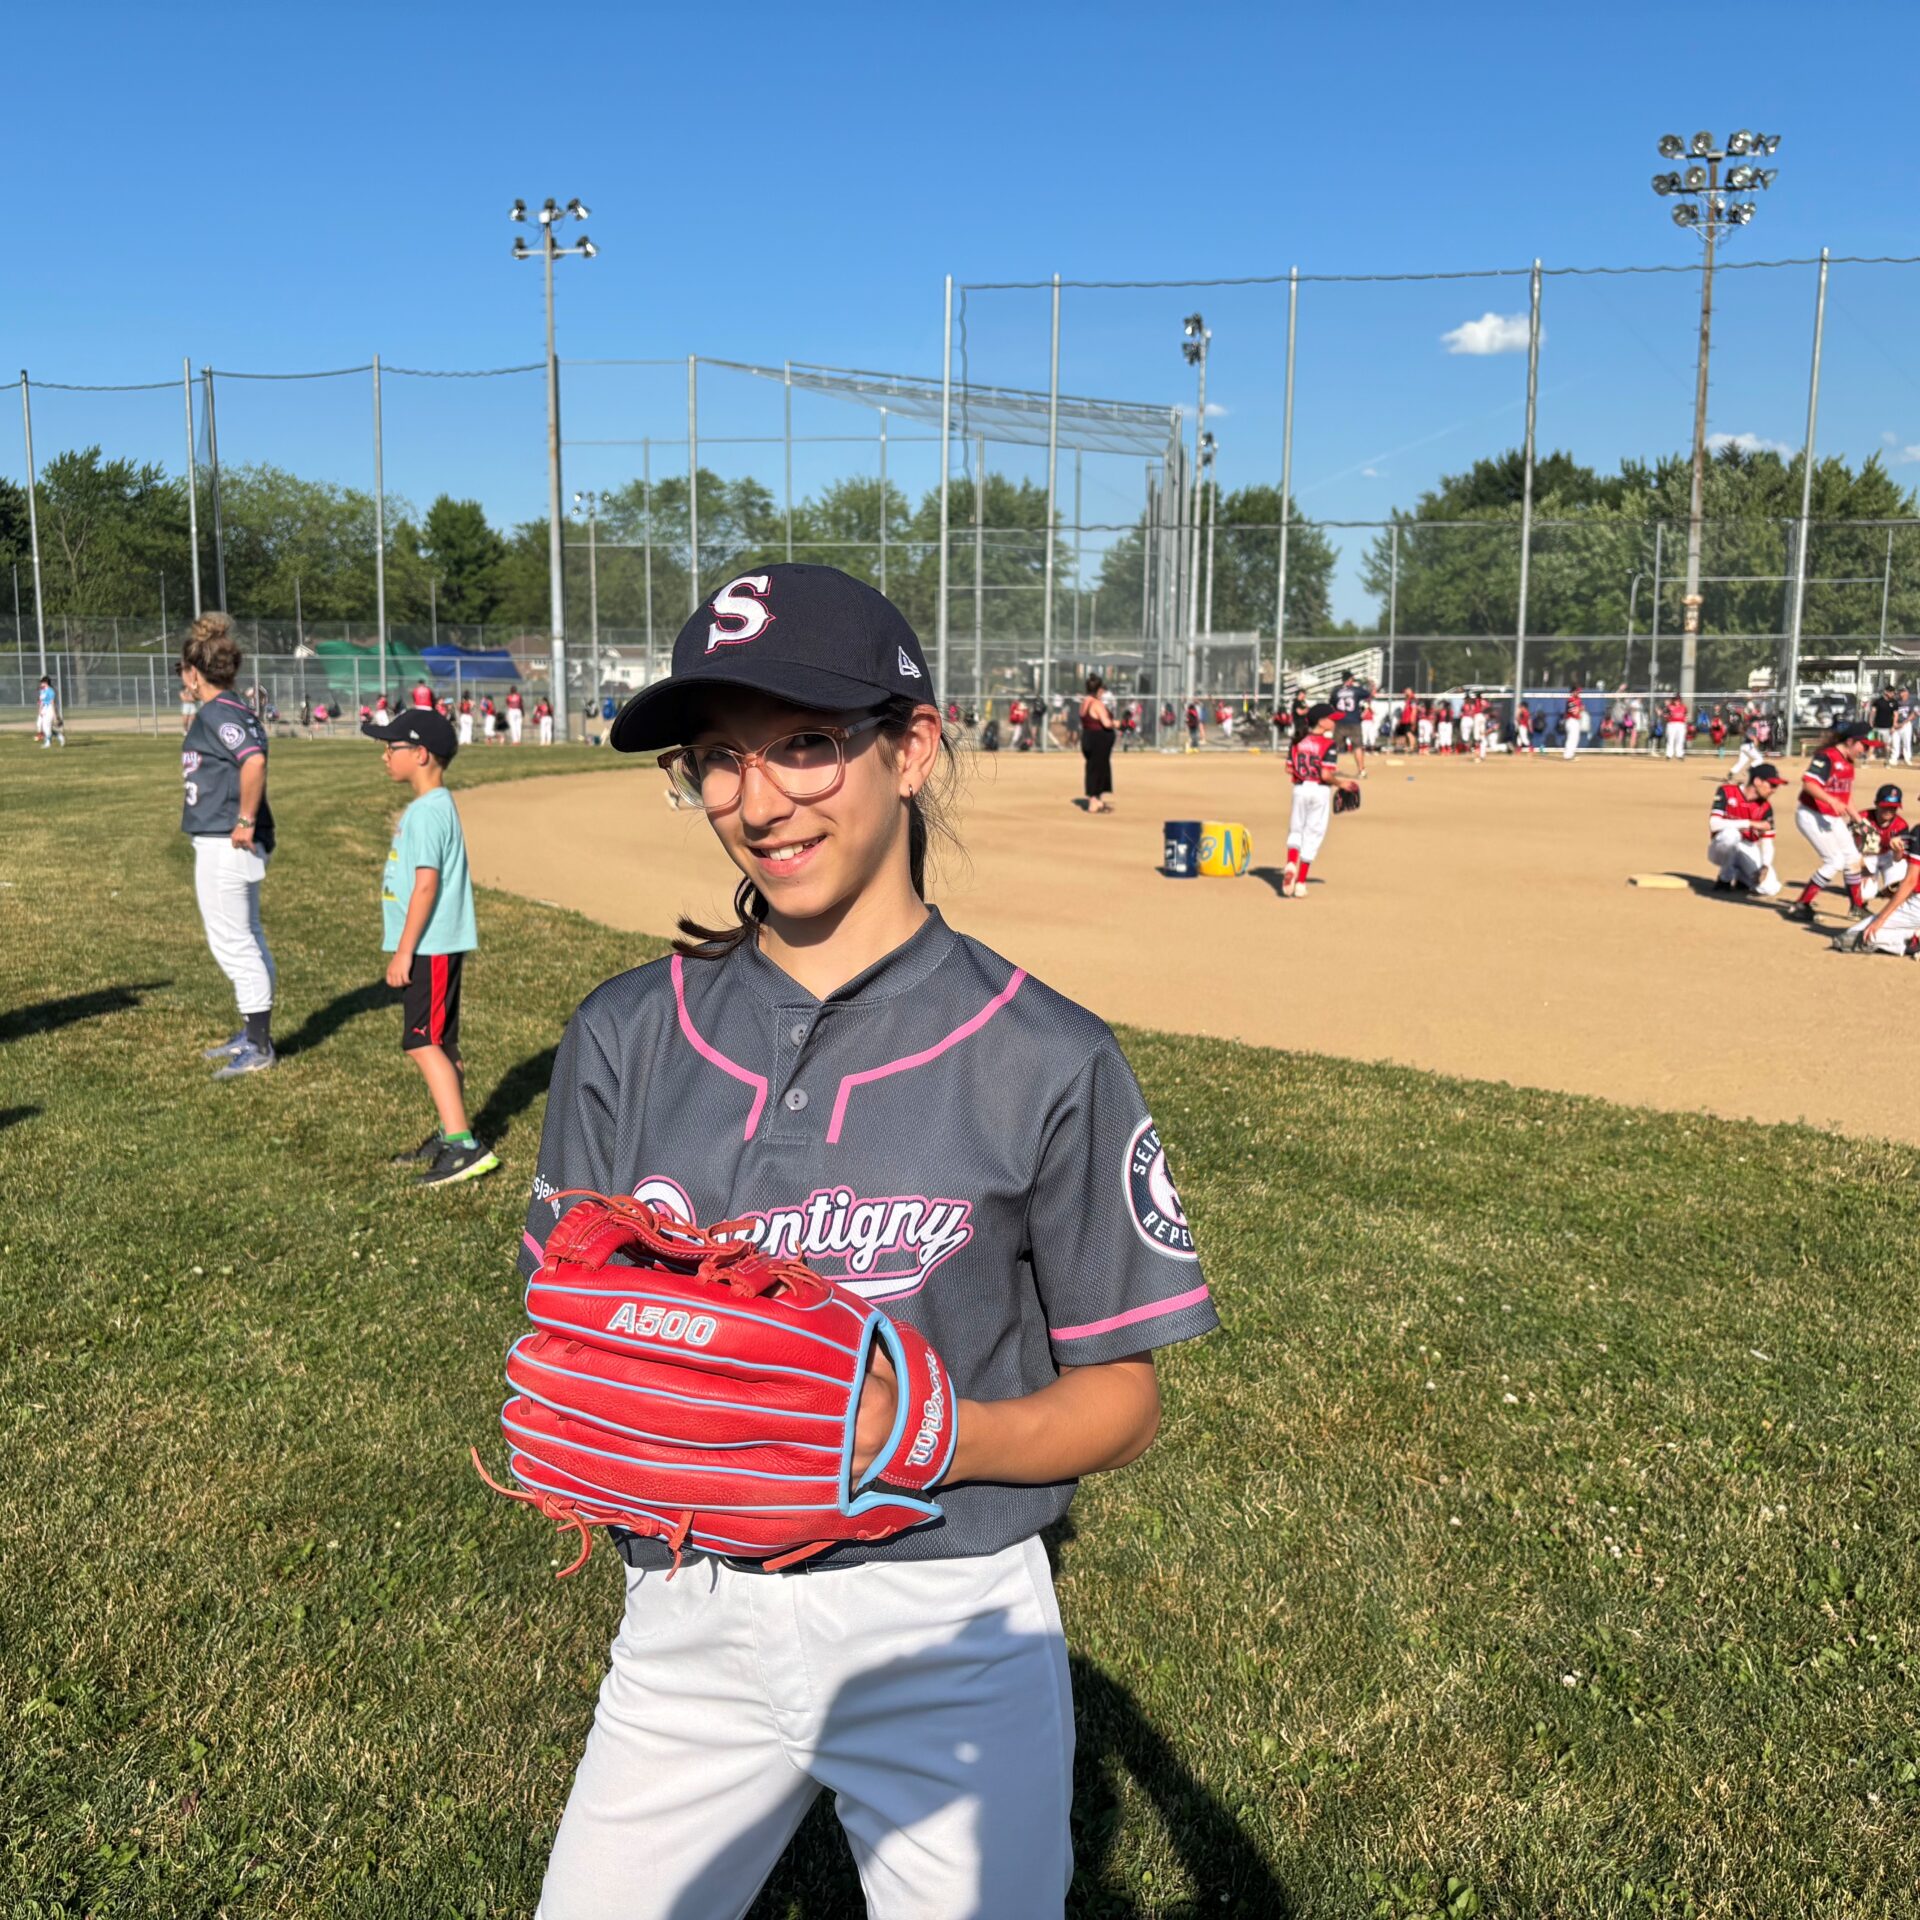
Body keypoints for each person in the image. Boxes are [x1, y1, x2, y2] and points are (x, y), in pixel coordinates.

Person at [522, 562, 1217, 1917]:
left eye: (804, 742)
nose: (755, 799)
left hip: (948, 1617)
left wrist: (937, 1434)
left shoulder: (1045, 1056)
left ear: (912, 746)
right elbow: (571, 1324)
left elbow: (1123, 1403)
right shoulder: (623, 1036)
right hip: (686, 1610)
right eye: (714, 758)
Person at [362, 703, 499, 1187]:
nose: (384, 755)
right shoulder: (435, 805)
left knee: (421, 1041)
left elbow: (425, 886)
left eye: (391, 747)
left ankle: (462, 1145)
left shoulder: (425, 813)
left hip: (429, 946)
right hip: (436, 944)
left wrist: (404, 950)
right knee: (440, 1041)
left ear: (420, 754)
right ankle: (450, 1130)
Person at [179, 614, 278, 1078]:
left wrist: (244, 819)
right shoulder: (235, 708)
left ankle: (258, 1045)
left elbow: (252, 762)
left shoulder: (219, 712)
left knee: (233, 942)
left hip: (227, 841)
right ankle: (254, 1033)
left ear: (194, 673)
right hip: (228, 840)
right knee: (248, 936)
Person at [1784, 720, 1872, 921]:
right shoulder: (1827, 757)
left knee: (1852, 858)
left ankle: (1856, 907)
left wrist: (1859, 820)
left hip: (1830, 816)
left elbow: (1845, 797)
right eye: (1864, 746)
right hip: (1811, 815)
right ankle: (1801, 904)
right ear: (1851, 741)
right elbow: (1809, 784)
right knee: (1835, 860)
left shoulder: (1849, 763)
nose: (1865, 751)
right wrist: (1832, 800)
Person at [1282, 702, 1357, 899]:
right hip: (1319, 791)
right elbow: (1325, 774)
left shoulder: (1297, 740)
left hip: (1299, 789)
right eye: (1332, 719)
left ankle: (1291, 863)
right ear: (1322, 722)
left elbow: (1289, 768)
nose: (1334, 722)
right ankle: (1300, 883)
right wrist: (1340, 784)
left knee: (1296, 829)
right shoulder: (1328, 744)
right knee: (1313, 834)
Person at [1707, 763, 1786, 896]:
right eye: (1772, 785)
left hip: (1747, 847)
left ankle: (1742, 877)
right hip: (1720, 847)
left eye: (1776, 786)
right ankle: (1724, 879)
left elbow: (1768, 841)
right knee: (1731, 835)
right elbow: (1714, 824)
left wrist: (1765, 865)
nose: (1774, 790)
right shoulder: (1727, 791)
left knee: (1769, 888)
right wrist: (1750, 823)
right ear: (1757, 781)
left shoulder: (1766, 808)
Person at [1856, 782, 1912, 907]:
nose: (1889, 811)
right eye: (1885, 806)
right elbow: (1848, 848)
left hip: (1888, 855)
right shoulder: (1862, 818)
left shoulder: (1901, 825)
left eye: (1893, 807)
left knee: (1901, 886)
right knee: (1865, 893)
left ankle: (1886, 892)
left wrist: (1897, 850)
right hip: (1865, 857)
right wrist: (1863, 868)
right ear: (1876, 803)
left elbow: (1898, 859)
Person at [1078, 672, 1117, 814]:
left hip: (1088, 738)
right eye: (1102, 690)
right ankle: (1093, 802)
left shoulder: (1084, 702)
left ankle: (1097, 800)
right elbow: (1106, 723)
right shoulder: (1096, 703)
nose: (1103, 693)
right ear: (1099, 689)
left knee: (1095, 768)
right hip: (1097, 740)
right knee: (1097, 770)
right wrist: (1118, 724)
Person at [1331, 670, 1367, 778]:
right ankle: (1361, 770)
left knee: (1334, 747)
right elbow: (1367, 694)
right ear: (1350, 679)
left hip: (1340, 721)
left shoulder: (1336, 691)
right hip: (1354, 721)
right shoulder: (1355, 690)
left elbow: (1332, 704)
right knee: (1357, 746)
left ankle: (1330, 769)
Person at [34, 675, 64, 748]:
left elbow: (52, 703)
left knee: (46, 727)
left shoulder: (50, 691)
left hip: (50, 709)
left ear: (46, 682)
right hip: (44, 709)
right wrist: (40, 710)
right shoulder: (42, 690)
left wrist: (55, 716)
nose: (41, 684)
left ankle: (48, 742)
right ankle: (59, 736)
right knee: (39, 724)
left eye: (42, 682)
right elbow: (41, 701)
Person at [1891, 688, 1915, 769]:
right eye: (1900, 692)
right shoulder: (1896, 702)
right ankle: (1894, 758)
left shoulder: (1912, 702)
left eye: (1903, 692)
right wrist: (1894, 724)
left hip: (1906, 724)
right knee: (1895, 742)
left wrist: (1903, 723)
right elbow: (1893, 713)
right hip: (1896, 724)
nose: (1901, 693)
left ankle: (1907, 758)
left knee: (1906, 742)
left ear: (1907, 692)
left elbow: (1913, 714)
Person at [1662, 693, 1689, 761]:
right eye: (1675, 699)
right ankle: (1669, 755)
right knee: (1670, 739)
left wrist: (1685, 723)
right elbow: (1664, 716)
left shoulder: (1683, 707)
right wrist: (1668, 716)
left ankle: (1679, 754)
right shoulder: (1669, 707)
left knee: (1680, 740)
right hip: (1671, 724)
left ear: (1680, 700)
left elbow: (1686, 716)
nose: (1677, 701)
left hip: (1681, 725)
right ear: (1673, 700)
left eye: (1678, 699)